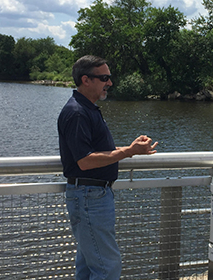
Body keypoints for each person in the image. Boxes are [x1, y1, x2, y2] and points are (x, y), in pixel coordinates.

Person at [58, 55, 158, 280]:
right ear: (86, 80)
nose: (110, 83)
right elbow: (85, 161)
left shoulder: (87, 109)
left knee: (87, 266)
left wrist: (132, 147)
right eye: (104, 78)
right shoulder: (76, 112)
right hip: (89, 197)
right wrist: (129, 151)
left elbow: (98, 151)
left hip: (92, 195)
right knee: (107, 268)